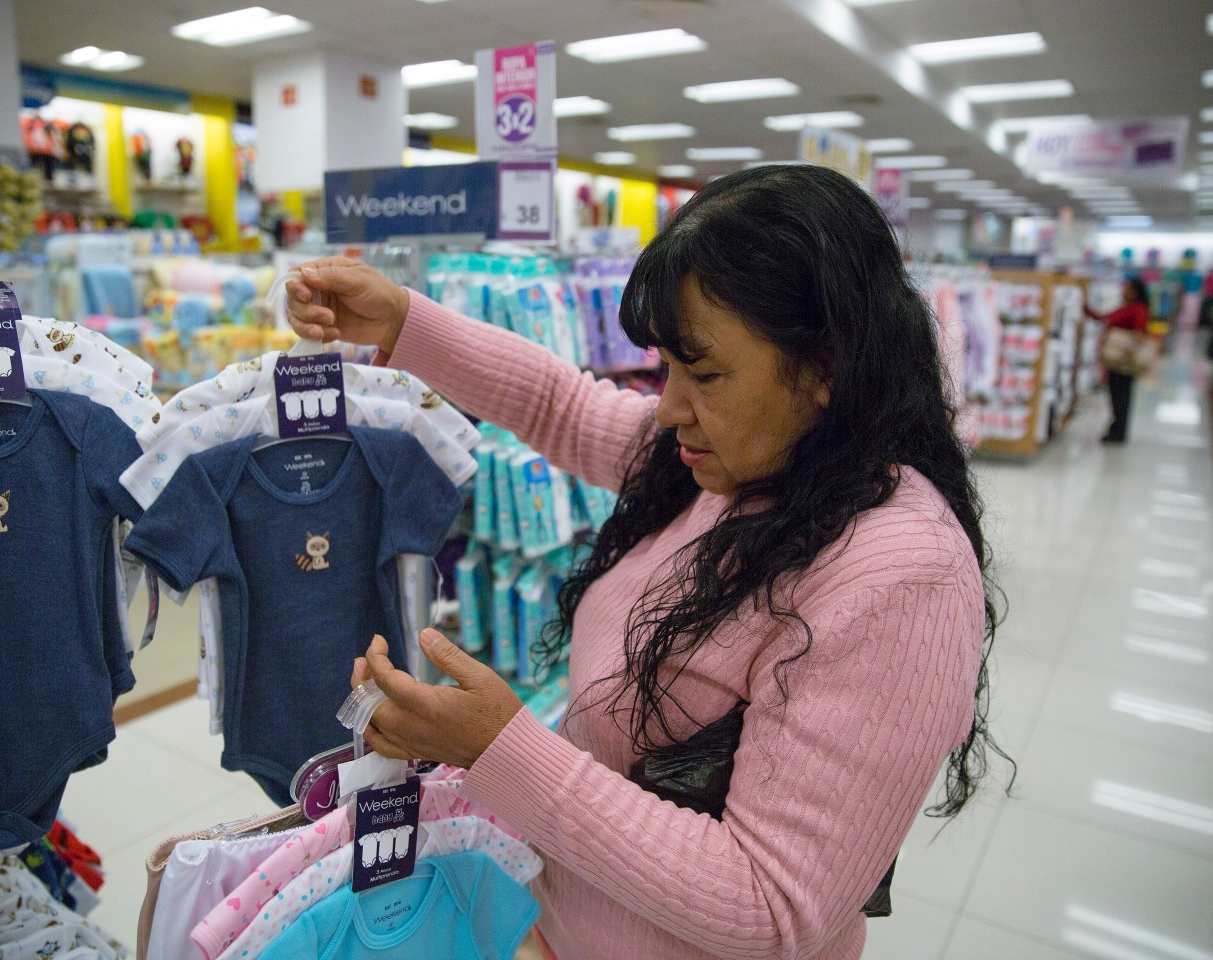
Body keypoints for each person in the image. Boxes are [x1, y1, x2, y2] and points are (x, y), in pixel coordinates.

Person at [284, 164, 1005, 960]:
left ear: (826, 367)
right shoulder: (731, 470)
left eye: (704, 373)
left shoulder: (901, 580)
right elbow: (556, 403)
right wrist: (402, 321)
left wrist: (502, 748)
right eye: (666, 367)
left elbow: (771, 906)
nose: (668, 406)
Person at [1086, 277, 1151, 444]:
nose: (1123, 290)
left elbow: (1140, 332)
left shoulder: (1139, 309)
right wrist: (1085, 307)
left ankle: (1118, 432)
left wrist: (1129, 351)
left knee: (1121, 396)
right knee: (1116, 394)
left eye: (1127, 288)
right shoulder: (1126, 307)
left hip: (1123, 360)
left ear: (1135, 292)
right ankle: (1115, 429)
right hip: (1116, 360)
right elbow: (1103, 318)